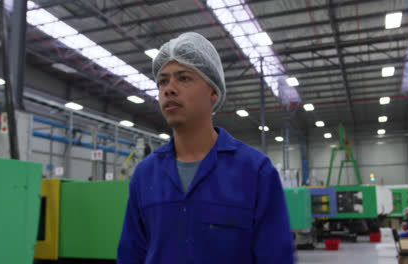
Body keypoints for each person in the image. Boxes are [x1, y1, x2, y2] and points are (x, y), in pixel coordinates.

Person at [117, 32, 294, 263]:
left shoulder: (255, 172)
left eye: (184, 78)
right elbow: (131, 255)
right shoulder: (145, 175)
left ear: (213, 91)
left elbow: (276, 258)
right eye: (163, 81)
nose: (169, 89)